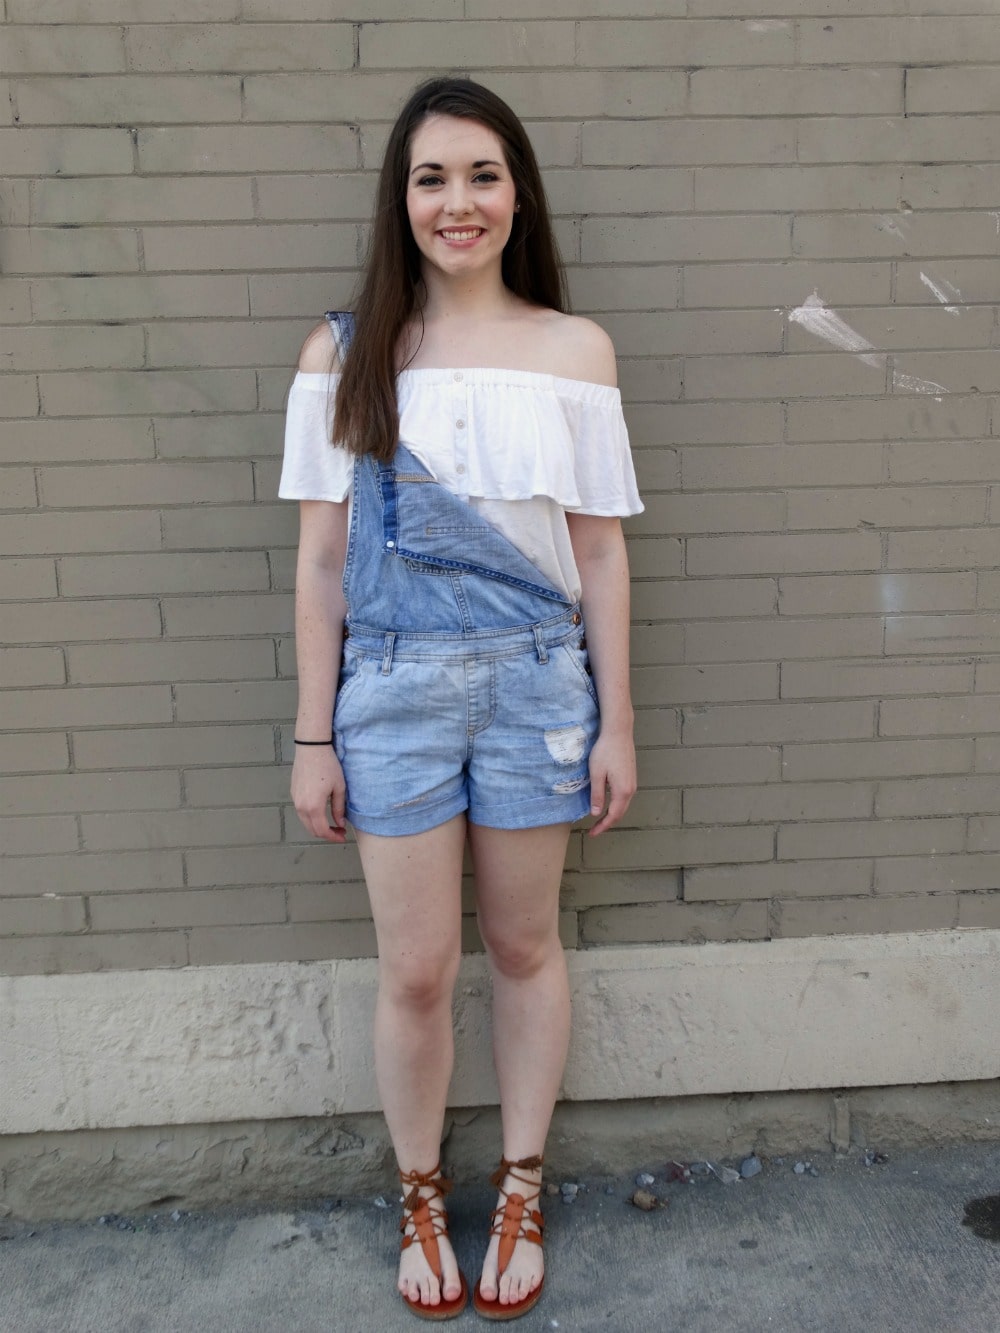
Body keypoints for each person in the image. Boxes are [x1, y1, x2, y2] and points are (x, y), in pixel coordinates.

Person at [279, 76, 642, 1322]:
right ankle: (423, 1190)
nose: (458, 202)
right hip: (389, 694)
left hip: (540, 685)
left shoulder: (572, 350)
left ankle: (526, 1181)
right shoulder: (346, 350)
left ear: (517, 192)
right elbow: (323, 562)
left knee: (524, 944)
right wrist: (313, 733)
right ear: (402, 200)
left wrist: (618, 720)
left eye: (482, 175)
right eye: (432, 178)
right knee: (419, 968)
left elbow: (598, 554)